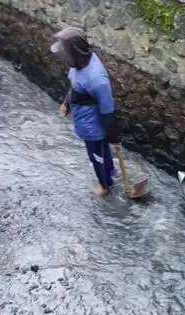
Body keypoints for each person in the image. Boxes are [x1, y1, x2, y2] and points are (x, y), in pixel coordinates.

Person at [50, 27, 119, 196]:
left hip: (92, 127)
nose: (63, 57)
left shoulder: (97, 79)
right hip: (83, 117)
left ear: (74, 52)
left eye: (64, 53)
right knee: (102, 152)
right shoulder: (78, 63)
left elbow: (107, 111)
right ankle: (110, 172)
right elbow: (75, 85)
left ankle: (105, 186)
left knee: (96, 157)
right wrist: (67, 103)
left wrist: (112, 136)